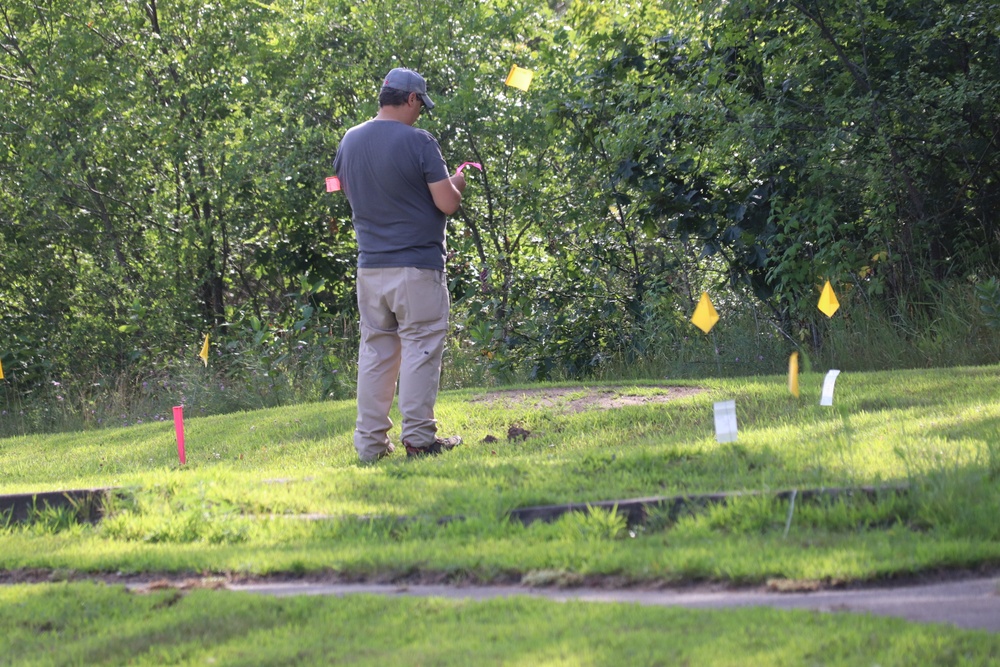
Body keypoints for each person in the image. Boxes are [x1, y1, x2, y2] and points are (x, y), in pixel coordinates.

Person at [333, 67, 467, 462]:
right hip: (416, 268)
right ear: (410, 99)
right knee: (421, 348)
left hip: (370, 267)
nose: (421, 113)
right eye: (420, 105)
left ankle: (370, 446)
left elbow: (352, 193)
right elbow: (447, 203)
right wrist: (458, 180)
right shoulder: (419, 142)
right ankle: (420, 441)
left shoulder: (350, 140)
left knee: (376, 354)